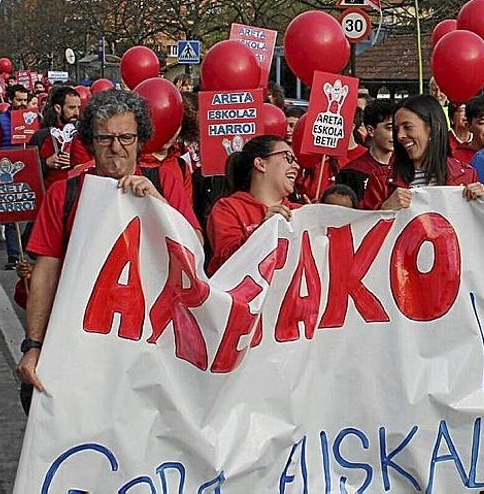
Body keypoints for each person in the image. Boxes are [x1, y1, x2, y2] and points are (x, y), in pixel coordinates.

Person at [16, 89, 201, 413]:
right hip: (80, 345)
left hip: (150, 348)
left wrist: (158, 204)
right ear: (90, 141)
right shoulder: (65, 193)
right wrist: (34, 345)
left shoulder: (164, 182)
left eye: (126, 137)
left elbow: (195, 252)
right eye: (105, 138)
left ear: (140, 139)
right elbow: (46, 272)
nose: (116, 147)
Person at [360, 94, 483, 210]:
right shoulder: (381, 180)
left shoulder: (466, 175)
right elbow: (362, 228)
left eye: (408, 127)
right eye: (396, 129)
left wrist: (483, 203)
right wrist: (384, 210)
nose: (400, 136)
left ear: (434, 128)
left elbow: (479, 228)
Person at [206, 135, 300, 275]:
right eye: (288, 158)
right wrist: (263, 231)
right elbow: (226, 264)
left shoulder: (299, 211)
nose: (296, 166)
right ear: (261, 164)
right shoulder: (228, 208)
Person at [0, 84, 31, 269]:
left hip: (29, 170)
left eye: (25, 100)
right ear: (10, 100)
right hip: (8, 173)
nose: (22, 104)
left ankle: (27, 248)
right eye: (18, 100)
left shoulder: (34, 119)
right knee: (12, 216)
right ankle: (14, 255)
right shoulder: (0, 121)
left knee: (34, 214)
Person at [29, 86, 93, 190]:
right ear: (58, 108)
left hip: (79, 194)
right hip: (51, 196)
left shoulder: (86, 134)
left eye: (78, 107)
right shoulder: (41, 136)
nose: (76, 113)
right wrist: (47, 163)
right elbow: (27, 170)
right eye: (71, 108)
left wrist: (76, 163)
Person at [336, 98, 396, 200]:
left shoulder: (408, 168)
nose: (397, 134)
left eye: (398, 128)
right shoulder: (351, 173)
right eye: (390, 128)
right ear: (371, 130)